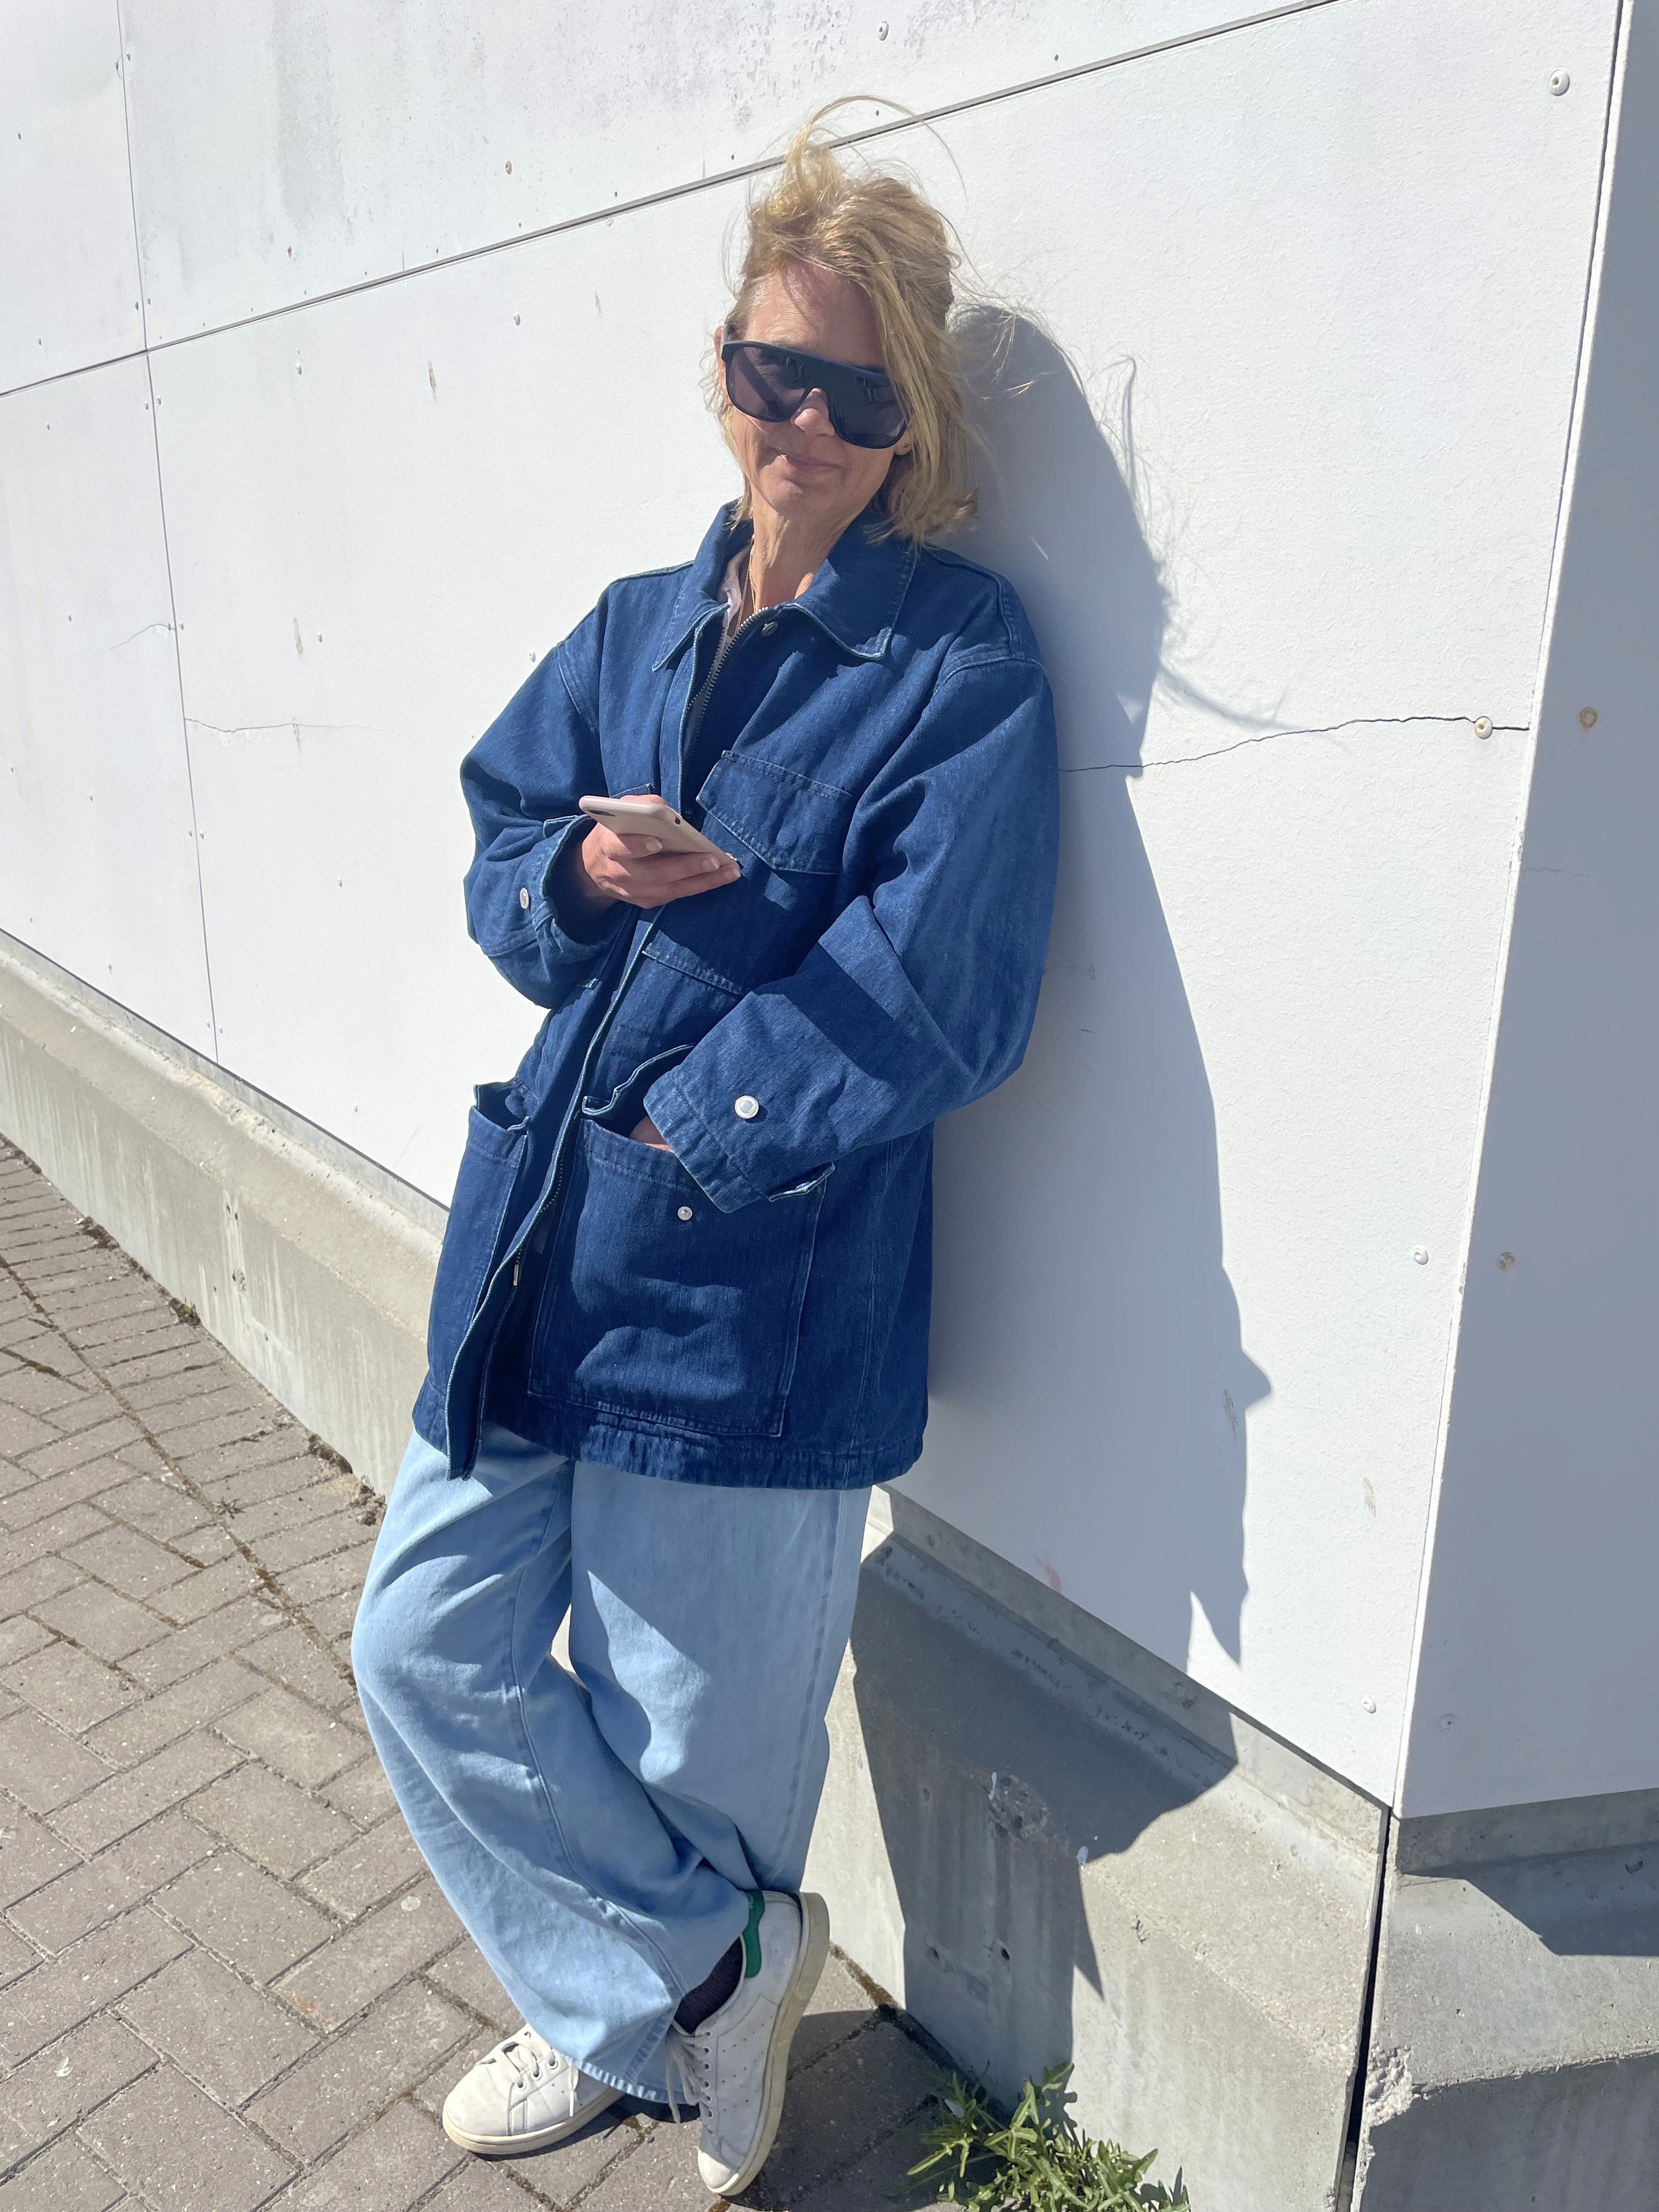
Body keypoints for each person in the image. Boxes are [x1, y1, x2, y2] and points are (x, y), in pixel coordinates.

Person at [350, 117, 1059, 2197]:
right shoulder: (632, 627)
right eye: (775, 376)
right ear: (724, 377)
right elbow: (497, 865)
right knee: (422, 1645)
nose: (805, 426)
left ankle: (668, 2023)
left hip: (759, 1297)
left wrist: (691, 1114)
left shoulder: (958, 663)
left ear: (906, 418)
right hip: (535, 1251)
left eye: (855, 393)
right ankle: (670, 1982)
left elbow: (952, 992)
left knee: (695, 1754)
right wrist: (577, 866)